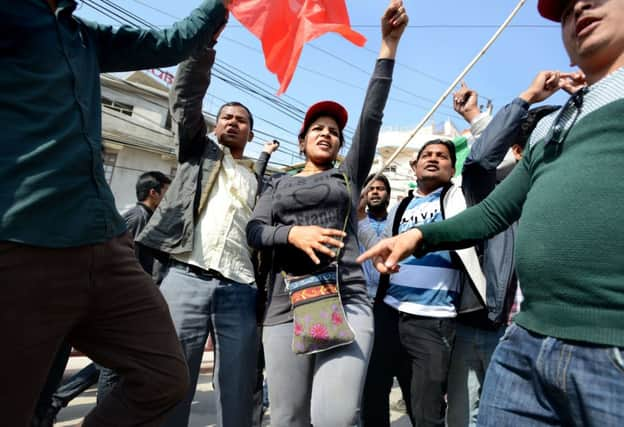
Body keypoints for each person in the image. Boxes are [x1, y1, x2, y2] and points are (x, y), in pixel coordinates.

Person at [359, 0, 624, 424]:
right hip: (526, 343)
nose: (579, 7)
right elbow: (494, 211)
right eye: (565, 7)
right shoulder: (549, 128)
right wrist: (419, 238)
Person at [0, 1, 231, 425]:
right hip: (24, 243)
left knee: (163, 377)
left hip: (106, 246)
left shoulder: (84, 36)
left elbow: (169, 42)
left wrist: (218, 7)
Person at [245, 2, 408, 426]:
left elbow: (371, 118)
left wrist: (388, 46)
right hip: (286, 307)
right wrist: (292, 236)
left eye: (334, 132)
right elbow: (255, 229)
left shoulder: (347, 177)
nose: (327, 133)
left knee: (333, 417)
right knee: (287, 417)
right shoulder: (278, 183)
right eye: (318, 128)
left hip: (343, 299)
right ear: (301, 142)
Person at [136, 33, 273, 427]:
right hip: (184, 279)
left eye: (241, 120)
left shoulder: (262, 180)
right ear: (215, 126)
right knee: (174, 379)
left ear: (251, 133)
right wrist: (203, 46)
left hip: (241, 289)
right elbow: (184, 100)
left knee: (238, 385)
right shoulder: (198, 152)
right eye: (226, 117)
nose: (232, 122)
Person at [446, 80, 561, 427]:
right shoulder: (503, 202)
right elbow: (480, 162)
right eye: (542, 145)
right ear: (521, 153)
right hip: (506, 329)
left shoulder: (588, 194)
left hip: (573, 339)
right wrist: (525, 100)